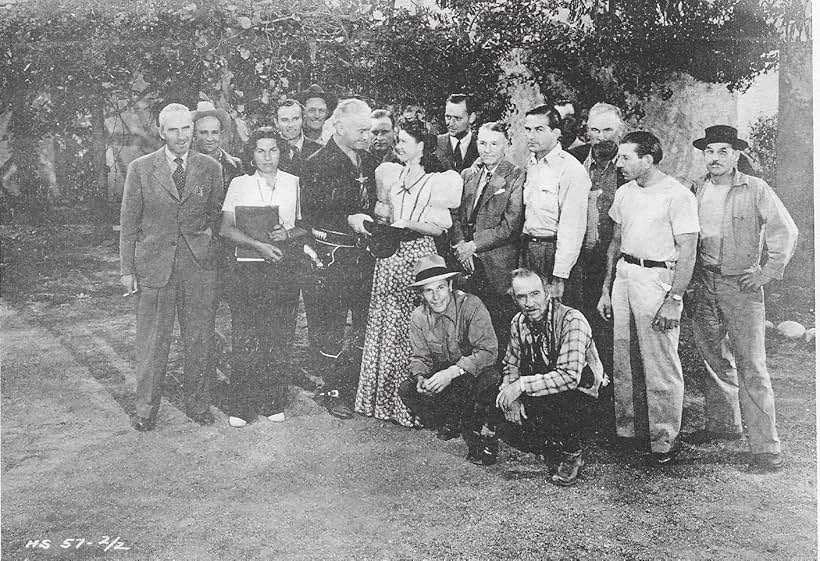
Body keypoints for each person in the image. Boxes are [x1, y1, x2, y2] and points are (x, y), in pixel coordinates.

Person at [687, 125, 798, 472]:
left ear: (736, 155)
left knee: (752, 364)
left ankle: (766, 448)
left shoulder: (755, 188)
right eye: (709, 152)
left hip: (742, 286)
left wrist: (766, 272)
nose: (715, 158)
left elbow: (785, 230)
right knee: (712, 356)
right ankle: (723, 424)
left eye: (723, 151)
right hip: (705, 283)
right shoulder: (697, 188)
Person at [597, 131, 699, 466]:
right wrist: (606, 288)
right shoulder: (625, 192)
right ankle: (627, 431)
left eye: (626, 157)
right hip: (625, 276)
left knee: (660, 362)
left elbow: (688, 252)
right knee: (622, 357)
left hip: (658, 280)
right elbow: (615, 241)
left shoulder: (678, 195)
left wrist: (675, 298)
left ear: (648, 160)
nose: (619, 163)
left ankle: (664, 440)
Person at [119, 103, 224, 431]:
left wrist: (209, 254)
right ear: (161, 133)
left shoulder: (210, 167)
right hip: (155, 267)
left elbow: (216, 216)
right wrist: (127, 270)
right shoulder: (140, 168)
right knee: (152, 342)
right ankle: (146, 410)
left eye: (186, 129)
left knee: (200, 338)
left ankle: (199, 403)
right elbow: (129, 222)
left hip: (198, 266)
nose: (182, 136)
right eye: (174, 130)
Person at [355, 118, 463, 427]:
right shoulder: (396, 174)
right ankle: (382, 402)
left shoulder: (437, 180)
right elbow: (388, 213)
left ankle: (412, 405)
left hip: (419, 254)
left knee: (413, 328)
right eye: (398, 140)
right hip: (391, 254)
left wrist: (407, 225)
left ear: (422, 145)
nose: (398, 145)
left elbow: (441, 227)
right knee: (387, 324)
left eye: (404, 140)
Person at [218, 127, 309, 427]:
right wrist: (258, 245)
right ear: (251, 154)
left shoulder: (294, 183)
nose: (267, 157)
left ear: (282, 152)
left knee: (278, 335)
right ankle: (242, 406)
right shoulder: (239, 184)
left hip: (282, 268)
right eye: (260, 150)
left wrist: (288, 233)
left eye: (273, 150)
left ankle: (272, 401)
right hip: (247, 269)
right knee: (246, 335)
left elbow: (305, 225)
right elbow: (226, 229)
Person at [300, 98, 378, 420]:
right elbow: (314, 212)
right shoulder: (316, 162)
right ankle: (332, 391)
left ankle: (355, 387)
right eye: (361, 130)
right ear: (341, 128)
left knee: (363, 323)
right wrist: (349, 218)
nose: (367, 136)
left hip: (366, 258)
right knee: (331, 326)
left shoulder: (370, 162)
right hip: (333, 258)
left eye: (370, 131)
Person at [496, 268, 607, 486]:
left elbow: (569, 377)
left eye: (535, 294)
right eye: (521, 296)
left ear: (548, 292)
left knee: (565, 402)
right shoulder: (518, 322)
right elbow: (511, 363)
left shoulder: (572, 319)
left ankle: (571, 453)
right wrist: (513, 397)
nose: (529, 302)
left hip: (583, 394)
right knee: (499, 406)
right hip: (545, 386)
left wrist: (521, 386)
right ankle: (549, 446)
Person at [398, 254, 501, 465]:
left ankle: (478, 433)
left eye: (441, 288)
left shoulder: (471, 305)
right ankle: (453, 419)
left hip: (473, 372)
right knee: (406, 390)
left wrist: (452, 372)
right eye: (428, 290)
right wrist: (419, 377)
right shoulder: (418, 317)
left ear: (451, 285)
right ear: (421, 293)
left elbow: (488, 351)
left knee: (487, 380)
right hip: (448, 378)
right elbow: (420, 357)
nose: (436, 297)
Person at [569, 102, 628, 433]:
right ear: (586, 129)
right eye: (595, 129)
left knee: (611, 333)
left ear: (620, 130)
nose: (601, 137)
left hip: (617, 260)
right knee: (580, 328)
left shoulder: (629, 163)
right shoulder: (574, 159)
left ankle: (614, 412)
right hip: (579, 260)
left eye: (608, 130)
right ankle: (583, 406)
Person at [451, 121, 525, 356]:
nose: (487, 149)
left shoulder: (515, 176)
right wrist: (462, 246)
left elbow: (510, 226)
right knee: (467, 326)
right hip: (466, 261)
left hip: (496, 267)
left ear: (506, 145)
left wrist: (474, 245)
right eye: (482, 143)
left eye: (494, 144)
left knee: (498, 326)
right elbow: (456, 215)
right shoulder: (468, 175)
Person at [520, 104, 591, 309]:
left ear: (556, 133)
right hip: (530, 250)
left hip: (554, 254)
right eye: (528, 129)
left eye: (539, 130)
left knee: (559, 317)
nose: (531, 136)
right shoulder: (531, 163)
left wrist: (560, 275)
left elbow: (572, 228)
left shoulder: (570, 170)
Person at [191, 101, 243, 192]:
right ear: (194, 136)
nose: (210, 138)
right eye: (204, 132)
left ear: (221, 134)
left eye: (214, 132)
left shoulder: (236, 165)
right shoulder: (186, 164)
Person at [275, 98, 322, 177]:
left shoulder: (319, 151)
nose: (290, 125)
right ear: (276, 123)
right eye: (284, 120)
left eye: (295, 119)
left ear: (303, 120)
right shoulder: (267, 151)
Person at [435, 93, 479, 173]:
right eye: (448, 117)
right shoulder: (435, 144)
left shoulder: (482, 147)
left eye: (457, 118)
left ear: (471, 118)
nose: (450, 124)